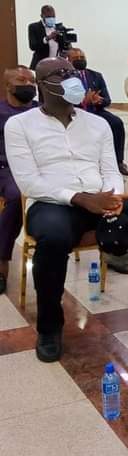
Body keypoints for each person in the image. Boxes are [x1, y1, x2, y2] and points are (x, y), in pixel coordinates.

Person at [4, 57, 128, 362]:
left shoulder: (98, 123)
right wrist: (79, 198)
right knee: (53, 239)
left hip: (101, 198)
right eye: (60, 74)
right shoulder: (19, 125)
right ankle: (50, 328)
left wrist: (114, 197)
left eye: (72, 73)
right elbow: (29, 181)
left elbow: (111, 169)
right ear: (42, 85)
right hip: (51, 202)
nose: (71, 78)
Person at [0, 66, 37, 295]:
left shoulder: (41, 111)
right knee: (17, 196)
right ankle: (2, 260)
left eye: (32, 81)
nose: (29, 85)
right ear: (8, 86)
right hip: (7, 168)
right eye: (22, 80)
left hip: (41, 167)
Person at [66, 48, 128, 176]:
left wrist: (98, 100)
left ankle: (119, 162)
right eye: (76, 58)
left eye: (82, 58)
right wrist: (83, 101)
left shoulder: (96, 76)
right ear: (68, 60)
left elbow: (107, 100)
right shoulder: (66, 77)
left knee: (116, 122)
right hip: (76, 112)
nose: (80, 60)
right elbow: (66, 100)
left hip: (96, 110)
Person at [28, 5, 60, 69]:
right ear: (42, 16)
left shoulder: (58, 28)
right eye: (48, 17)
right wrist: (47, 38)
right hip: (40, 65)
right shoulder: (34, 27)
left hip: (55, 66)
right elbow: (33, 46)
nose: (51, 19)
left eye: (53, 16)